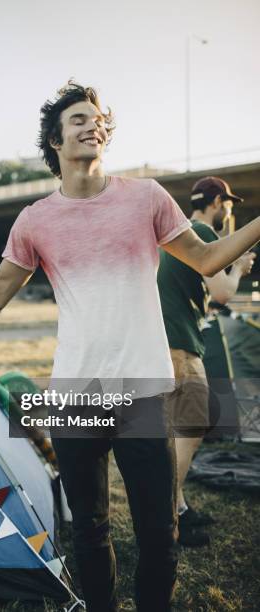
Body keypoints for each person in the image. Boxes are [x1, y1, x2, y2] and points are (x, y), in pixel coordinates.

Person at [0, 82, 260, 612]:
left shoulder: (146, 197)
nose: (93, 124)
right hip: (75, 392)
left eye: (98, 118)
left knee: (158, 533)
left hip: (142, 390)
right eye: (78, 118)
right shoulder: (35, 219)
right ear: (55, 141)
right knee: (90, 531)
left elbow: (210, 258)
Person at [157, 177, 255, 547]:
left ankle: (178, 508)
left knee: (173, 434)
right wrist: (238, 268)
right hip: (179, 342)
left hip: (165, 340)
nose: (229, 211)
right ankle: (166, 518)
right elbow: (223, 294)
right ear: (217, 201)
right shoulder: (199, 231)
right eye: (228, 204)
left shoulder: (181, 231)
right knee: (194, 425)